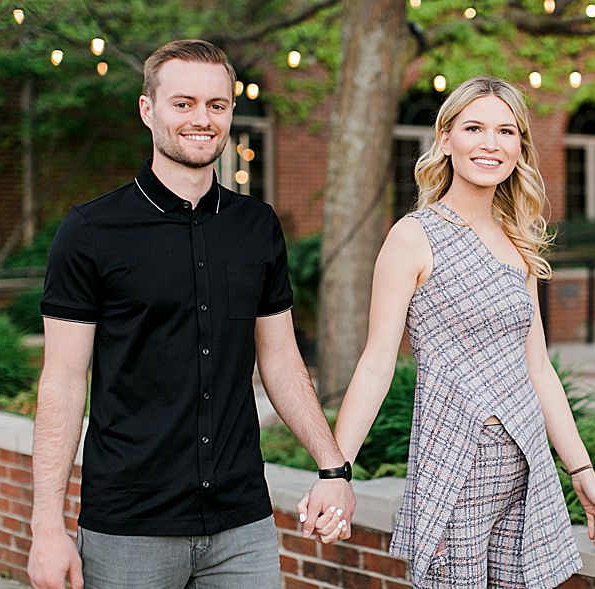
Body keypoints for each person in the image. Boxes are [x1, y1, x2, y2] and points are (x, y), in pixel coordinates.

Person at [27, 39, 354, 589]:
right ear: (147, 109)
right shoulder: (90, 232)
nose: (202, 119)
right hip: (129, 529)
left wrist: (333, 467)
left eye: (217, 105)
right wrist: (46, 528)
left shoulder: (257, 226)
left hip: (242, 526)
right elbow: (61, 383)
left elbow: (280, 358)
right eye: (183, 103)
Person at [319, 76, 595, 588]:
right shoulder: (414, 236)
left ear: (519, 146)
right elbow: (376, 363)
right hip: (455, 465)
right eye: (474, 128)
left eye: (505, 131)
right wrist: (335, 471)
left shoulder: (518, 241)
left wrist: (582, 471)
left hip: (525, 468)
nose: (490, 143)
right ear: (446, 138)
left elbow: (538, 369)